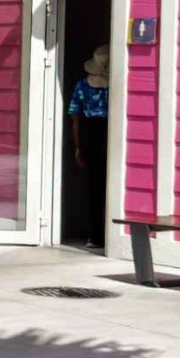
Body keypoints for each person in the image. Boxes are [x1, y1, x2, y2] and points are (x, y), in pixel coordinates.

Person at [66, 48, 110, 249]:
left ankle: (95, 236)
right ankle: (109, 234)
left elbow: (75, 118)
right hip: (109, 132)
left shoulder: (82, 85)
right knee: (110, 186)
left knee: (93, 187)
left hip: (89, 133)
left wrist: (78, 147)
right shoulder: (116, 86)